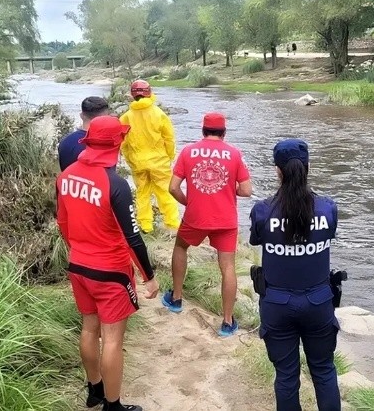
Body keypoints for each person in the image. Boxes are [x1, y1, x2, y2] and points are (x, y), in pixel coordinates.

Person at [56, 115, 159, 411]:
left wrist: (78, 250)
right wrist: (149, 277)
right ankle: (112, 407)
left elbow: (62, 221)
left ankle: (95, 391)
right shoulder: (115, 183)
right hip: (111, 272)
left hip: (78, 266)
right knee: (112, 339)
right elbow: (133, 237)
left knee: (89, 328)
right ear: (117, 143)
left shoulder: (66, 176)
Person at [249, 139, 342, 411]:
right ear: (308, 167)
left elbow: (256, 239)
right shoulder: (327, 209)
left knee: (287, 376)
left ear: (278, 171)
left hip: (277, 304)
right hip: (319, 302)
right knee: (324, 371)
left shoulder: (263, 210)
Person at [162, 112, 252, 337]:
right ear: (224, 132)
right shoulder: (234, 153)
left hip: (196, 216)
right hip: (225, 220)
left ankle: (176, 299)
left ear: (202, 130)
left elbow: (173, 187)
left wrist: (189, 201)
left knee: (181, 247)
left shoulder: (188, 151)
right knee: (228, 267)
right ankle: (227, 321)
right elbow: (247, 190)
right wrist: (230, 188)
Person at [119, 80, 180, 233]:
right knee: (165, 192)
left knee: (142, 192)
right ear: (149, 92)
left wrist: (129, 159)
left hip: (137, 162)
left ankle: (146, 225)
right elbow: (169, 139)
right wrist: (170, 156)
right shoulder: (160, 114)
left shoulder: (126, 117)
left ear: (133, 95)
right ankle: (172, 224)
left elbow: (122, 143)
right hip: (159, 162)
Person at [58, 96, 112, 171]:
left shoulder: (65, 142)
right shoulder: (106, 146)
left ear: (81, 115)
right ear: (106, 118)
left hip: (68, 181)